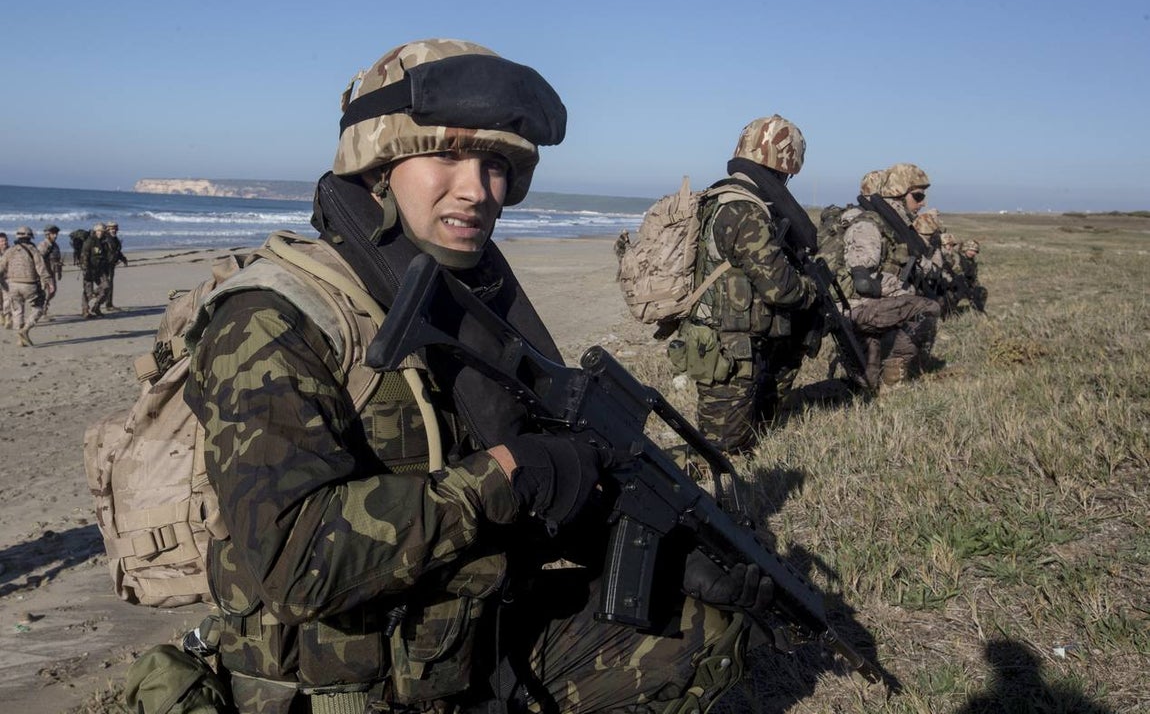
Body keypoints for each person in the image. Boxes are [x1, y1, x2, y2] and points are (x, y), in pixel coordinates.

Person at [180, 39, 767, 714]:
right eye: (447, 154)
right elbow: (296, 562)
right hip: (346, 690)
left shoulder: (466, 300)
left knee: (702, 630)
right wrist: (509, 474)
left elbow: (550, 473)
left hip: (460, 647)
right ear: (379, 162)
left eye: (494, 165)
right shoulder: (274, 319)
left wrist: (664, 551)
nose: (476, 188)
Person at [674, 115, 817, 452]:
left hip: (728, 341)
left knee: (750, 435)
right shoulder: (744, 210)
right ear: (784, 167)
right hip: (727, 349)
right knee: (720, 451)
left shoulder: (720, 196)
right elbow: (781, 288)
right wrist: (811, 289)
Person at [842, 163, 941, 391]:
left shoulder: (892, 227)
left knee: (865, 386)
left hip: (870, 307)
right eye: (917, 196)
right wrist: (900, 290)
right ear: (898, 195)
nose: (922, 203)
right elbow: (863, 282)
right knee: (927, 308)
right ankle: (892, 382)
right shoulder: (869, 225)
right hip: (857, 307)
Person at [0, 226, 54, 346]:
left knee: (17, 312)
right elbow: (41, 267)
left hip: (13, 285)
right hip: (30, 285)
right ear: (30, 237)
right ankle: (25, 330)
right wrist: (48, 281)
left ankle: (20, 340)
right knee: (38, 307)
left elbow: (1, 267)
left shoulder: (10, 250)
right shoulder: (33, 250)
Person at [79, 222, 111, 318]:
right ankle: (85, 310)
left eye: (102, 231)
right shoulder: (90, 241)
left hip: (100, 270)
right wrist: (85, 269)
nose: (100, 233)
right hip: (89, 269)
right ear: (95, 231)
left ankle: (96, 307)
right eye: (99, 231)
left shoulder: (105, 242)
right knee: (87, 292)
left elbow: (105, 257)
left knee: (106, 287)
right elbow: (84, 255)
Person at [38, 224, 64, 319]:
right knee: (46, 292)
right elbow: (39, 259)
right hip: (45, 273)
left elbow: (57, 259)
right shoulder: (44, 245)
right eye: (53, 234)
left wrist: (59, 271)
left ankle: (43, 308)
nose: (55, 235)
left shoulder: (55, 245)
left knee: (52, 292)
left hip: (52, 272)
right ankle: (41, 311)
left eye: (56, 233)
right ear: (47, 234)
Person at [101, 220, 128, 310]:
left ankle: (109, 304)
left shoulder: (115, 239)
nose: (114, 230)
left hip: (111, 265)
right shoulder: (104, 239)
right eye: (112, 228)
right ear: (108, 229)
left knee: (110, 285)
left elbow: (117, 251)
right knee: (106, 285)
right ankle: (100, 304)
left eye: (115, 228)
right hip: (104, 266)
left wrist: (123, 259)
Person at [0, 231, 10, 330]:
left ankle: (8, 317)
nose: (4, 243)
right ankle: (1, 314)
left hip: (8, 279)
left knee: (8, 299)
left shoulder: (11, 251)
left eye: (5, 240)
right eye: (2, 241)